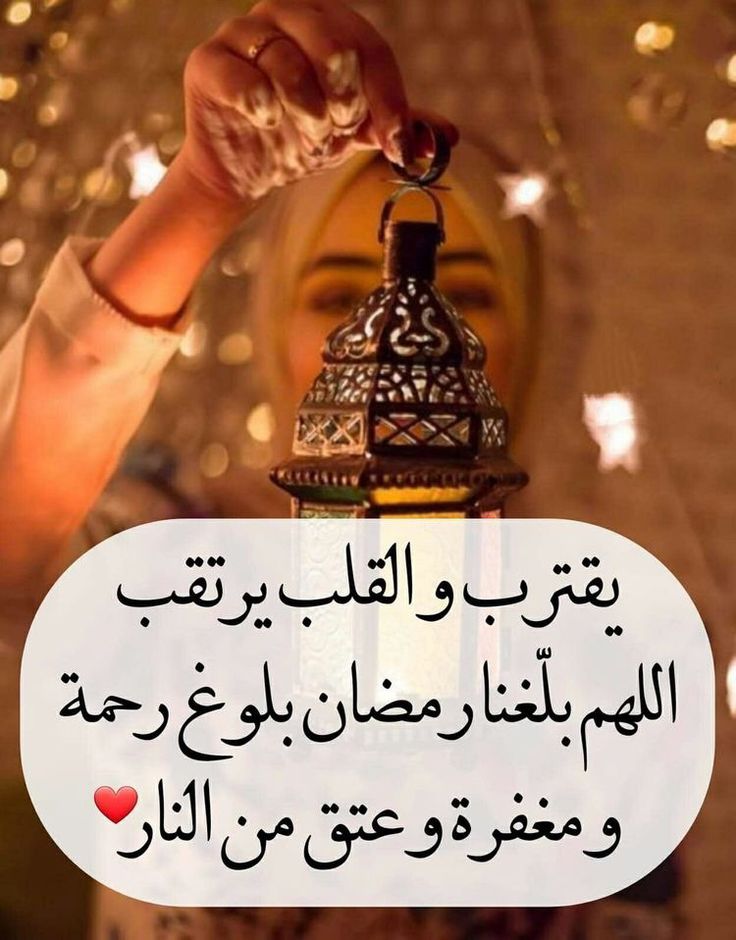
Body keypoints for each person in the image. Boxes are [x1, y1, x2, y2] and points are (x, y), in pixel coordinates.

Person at [0, 1, 577, 937]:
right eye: (335, 293)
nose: (389, 339)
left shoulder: (576, 628)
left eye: (466, 293)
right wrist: (204, 191)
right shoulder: (166, 550)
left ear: (525, 338)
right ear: (276, 327)